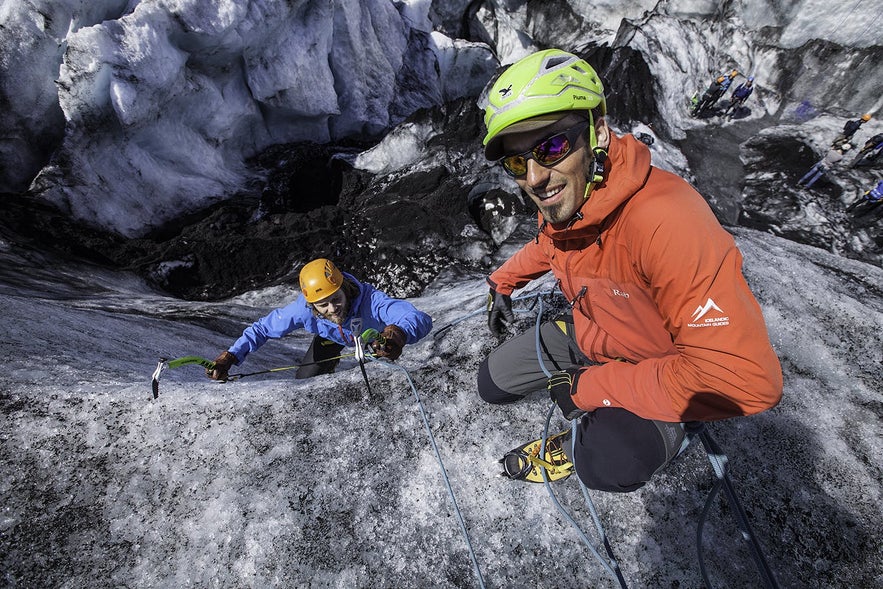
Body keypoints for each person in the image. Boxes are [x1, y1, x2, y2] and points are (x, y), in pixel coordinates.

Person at [477, 48, 783, 492]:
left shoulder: (666, 221)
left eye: (552, 146)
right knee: (492, 383)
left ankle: (678, 431)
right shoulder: (574, 199)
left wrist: (591, 388)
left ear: (597, 133)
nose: (535, 178)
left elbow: (746, 379)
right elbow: (551, 246)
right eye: (517, 162)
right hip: (593, 335)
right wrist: (502, 281)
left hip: (663, 367)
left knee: (606, 464)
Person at [206, 258, 432, 380]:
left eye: (336, 299)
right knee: (305, 380)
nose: (333, 309)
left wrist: (397, 334)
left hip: (381, 341)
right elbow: (263, 329)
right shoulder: (302, 311)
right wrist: (231, 356)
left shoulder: (371, 301)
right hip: (332, 338)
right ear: (311, 304)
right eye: (323, 305)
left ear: (345, 288)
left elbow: (417, 317)